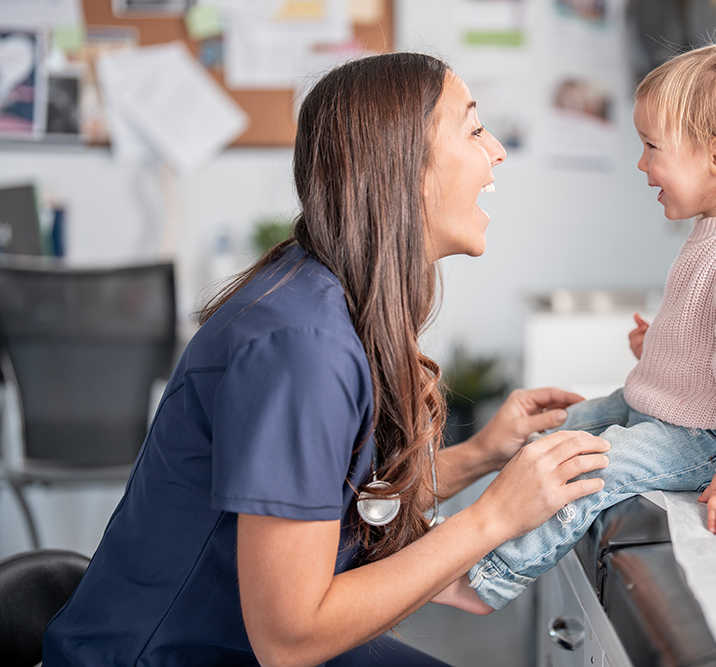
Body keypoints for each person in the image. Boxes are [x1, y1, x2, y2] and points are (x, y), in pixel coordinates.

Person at [42, 53, 611, 666]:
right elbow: (290, 637)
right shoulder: (302, 348)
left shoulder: (326, 298)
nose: (496, 151)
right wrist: (490, 520)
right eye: (473, 129)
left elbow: (334, 506)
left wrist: (480, 456)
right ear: (403, 169)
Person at [455, 10, 716, 613]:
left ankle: (487, 581)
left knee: (586, 472)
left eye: (652, 148)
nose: (641, 164)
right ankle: (455, 529)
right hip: (689, 407)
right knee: (559, 430)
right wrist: (663, 345)